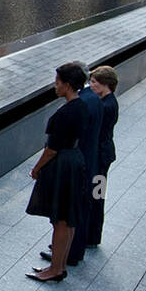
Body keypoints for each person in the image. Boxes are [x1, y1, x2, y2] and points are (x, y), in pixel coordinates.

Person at [26, 63, 90, 282]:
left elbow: (51, 149)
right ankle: (59, 266)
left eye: (58, 82)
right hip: (74, 161)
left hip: (63, 165)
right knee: (68, 218)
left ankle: (54, 269)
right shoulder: (82, 105)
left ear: (68, 85)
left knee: (60, 220)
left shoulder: (67, 112)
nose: (55, 85)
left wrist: (37, 168)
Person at [55, 60, 101, 266]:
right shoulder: (93, 99)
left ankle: (68, 254)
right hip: (91, 158)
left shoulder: (81, 104)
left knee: (72, 211)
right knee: (84, 204)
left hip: (81, 161)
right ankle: (76, 247)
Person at [87, 66, 120, 246]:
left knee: (96, 196)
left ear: (106, 85)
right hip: (104, 154)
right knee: (97, 195)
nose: (90, 85)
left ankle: (91, 236)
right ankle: (92, 235)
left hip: (100, 156)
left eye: (94, 82)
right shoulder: (109, 102)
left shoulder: (105, 106)